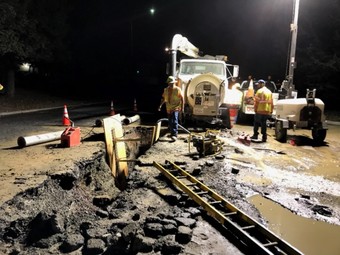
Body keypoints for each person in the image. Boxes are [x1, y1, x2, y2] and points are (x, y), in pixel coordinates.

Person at [158, 76, 184, 141]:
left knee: (174, 121)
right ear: (168, 83)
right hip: (169, 108)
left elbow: (182, 98)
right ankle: (171, 132)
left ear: (174, 83)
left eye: (172, 83)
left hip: (176, 108)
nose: (171, 84)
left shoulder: (177, 89)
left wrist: (182, 107)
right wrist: (160, 105)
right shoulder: (166, 90)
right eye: (170, 83)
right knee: (170, 121)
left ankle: (174, 135)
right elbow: (164, 99)